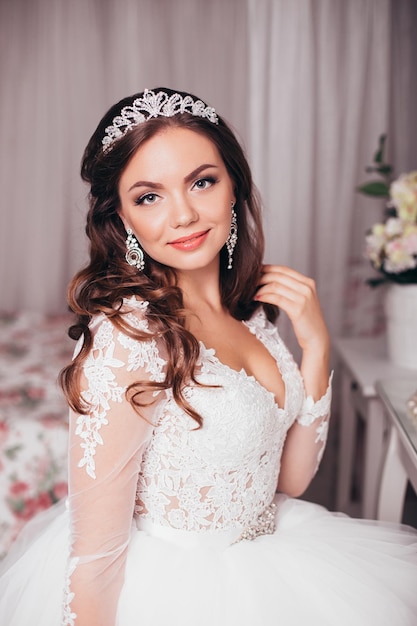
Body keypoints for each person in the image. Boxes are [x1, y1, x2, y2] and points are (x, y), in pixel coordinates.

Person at [0, 87, 416, 626]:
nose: (184, 215)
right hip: (177, 592)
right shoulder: (128, 338)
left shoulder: (251, 316)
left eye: (202, 182)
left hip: (276, 566)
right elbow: (96, 558)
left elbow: (286, 482)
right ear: (122, 217)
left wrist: (316, 346)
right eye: (149, 196)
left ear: (233, 185)